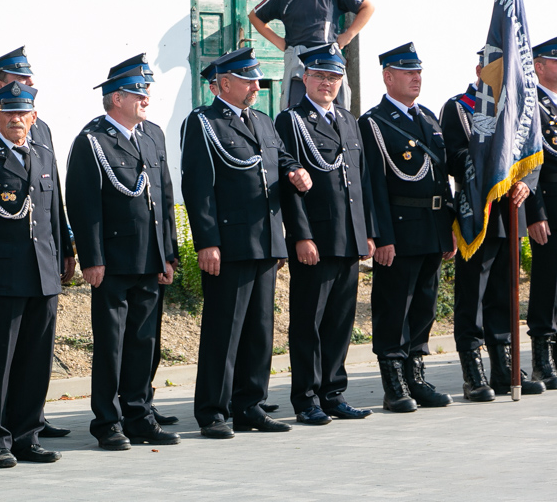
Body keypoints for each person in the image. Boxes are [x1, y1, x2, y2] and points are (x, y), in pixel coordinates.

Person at [182, 48, 311, 439]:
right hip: (230, 242)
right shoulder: (203, 122)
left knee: (259, 329)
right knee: (225, 330)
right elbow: (198, 187)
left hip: (266, 240)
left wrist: (294, 172)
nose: (257, 86)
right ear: (224, 83)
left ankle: (250, 404)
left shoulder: (262, 121)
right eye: (249, 79)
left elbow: (281, 158)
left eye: (257, 79)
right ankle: (213, 411)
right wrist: (207, 242)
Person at [0, 82, 74, 468]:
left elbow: (54, 212)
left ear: (34, 118)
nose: (16, 120)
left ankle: (27, 435)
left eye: (23, 113)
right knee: (1, 363)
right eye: (8, 113)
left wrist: (65, 256)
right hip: (1, 277)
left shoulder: (42, 155)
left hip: (43, 274)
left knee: (36, 361)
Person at [66, 66, 179, 451]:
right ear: (117, 99)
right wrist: (92, 258)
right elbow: (84, 205)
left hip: (150, 257)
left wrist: (170, 253)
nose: (146, 99)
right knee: (112, 345)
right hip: (113, 260)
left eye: (145, 92)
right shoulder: (93, 141)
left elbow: (164, 198)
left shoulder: (153, 135)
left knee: (144, 342)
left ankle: (139, 415)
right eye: (138, 93)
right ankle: (107, 422)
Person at [275, 44, 376, 424]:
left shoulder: (349, 121)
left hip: (349, 237)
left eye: (334, 77)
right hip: (315, 239)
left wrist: (369, 232)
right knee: (308, 322)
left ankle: (333, 393)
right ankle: (306, 399)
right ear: (304, 79)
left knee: (339, 321)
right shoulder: (291, 121)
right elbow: (288, 185)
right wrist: (301, 236)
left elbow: (362, 181)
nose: (327, 84)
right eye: (319, 76)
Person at [440, 51, 546, 400]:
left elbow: (532, 152)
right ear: (479, 70)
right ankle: (473, 372)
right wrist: (490, 165)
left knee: (504, 293)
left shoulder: (516, 109)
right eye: (497, 71)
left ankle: (505, 368)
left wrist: (525, 182)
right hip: (477, 214)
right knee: (474, 295)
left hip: (510, 212)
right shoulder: (459, 107)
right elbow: (452, 158)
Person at [358, 43, 455, 412]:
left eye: (418, 72)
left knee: (424, 306)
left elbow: (441, 180)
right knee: (394, 305)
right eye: (407, 72)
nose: (416, 78)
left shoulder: (428, 118)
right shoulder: (375, 122)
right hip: (399, 229)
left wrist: (446, 230)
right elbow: (375, 185)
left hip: (431, 226)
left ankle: (416, 373)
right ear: (388, 76)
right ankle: (393, 382)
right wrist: (382, 236)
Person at [248, 0, 374, 110]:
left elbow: (367, 7)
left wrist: (348, 35)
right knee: (297, 112)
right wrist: (279, 42)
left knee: (334, 111)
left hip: (328, 59)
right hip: (299, 64)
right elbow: (254, 16)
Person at [520, 37, 557, 390]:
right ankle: (542, 359)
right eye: (555, 61)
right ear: (539, 66)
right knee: (546, 282)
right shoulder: (531, 106)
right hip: (547, 202)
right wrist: (535, 212)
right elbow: (530, 166)